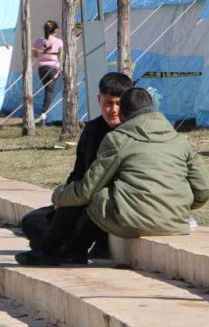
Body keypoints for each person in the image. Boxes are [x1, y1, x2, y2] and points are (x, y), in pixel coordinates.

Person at [16, 87, 209, 266]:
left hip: (133, 222)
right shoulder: (180, 140)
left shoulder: (118, 139)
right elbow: (204, 189)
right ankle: (74, 251)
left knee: (90, 193)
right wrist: (179, 204)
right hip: (175, 223)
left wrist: (58, 196)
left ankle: (50, 252)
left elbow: (87, 189)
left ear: (125, 114)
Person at [16, 72, 133, 266]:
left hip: (108, 202)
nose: (113, 110)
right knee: (33, 222)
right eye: (108, 103)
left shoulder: (131, 131)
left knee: (83, 207)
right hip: (83, 198)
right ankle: (65, 246)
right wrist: (63, 199)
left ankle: (60, 249)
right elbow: (79, 172)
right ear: (99, 100)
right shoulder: (93, 130)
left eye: (119, 104)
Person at [32, 20, 63, 124]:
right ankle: (44, 114)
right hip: (53, 68)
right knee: (49, 91)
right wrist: (59, 71)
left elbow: (35, 55)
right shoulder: (58, 41)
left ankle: (44, 115)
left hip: (41, 69)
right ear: (55, 30)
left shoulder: (38, 41)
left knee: (47, 90)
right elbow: (62, 57)